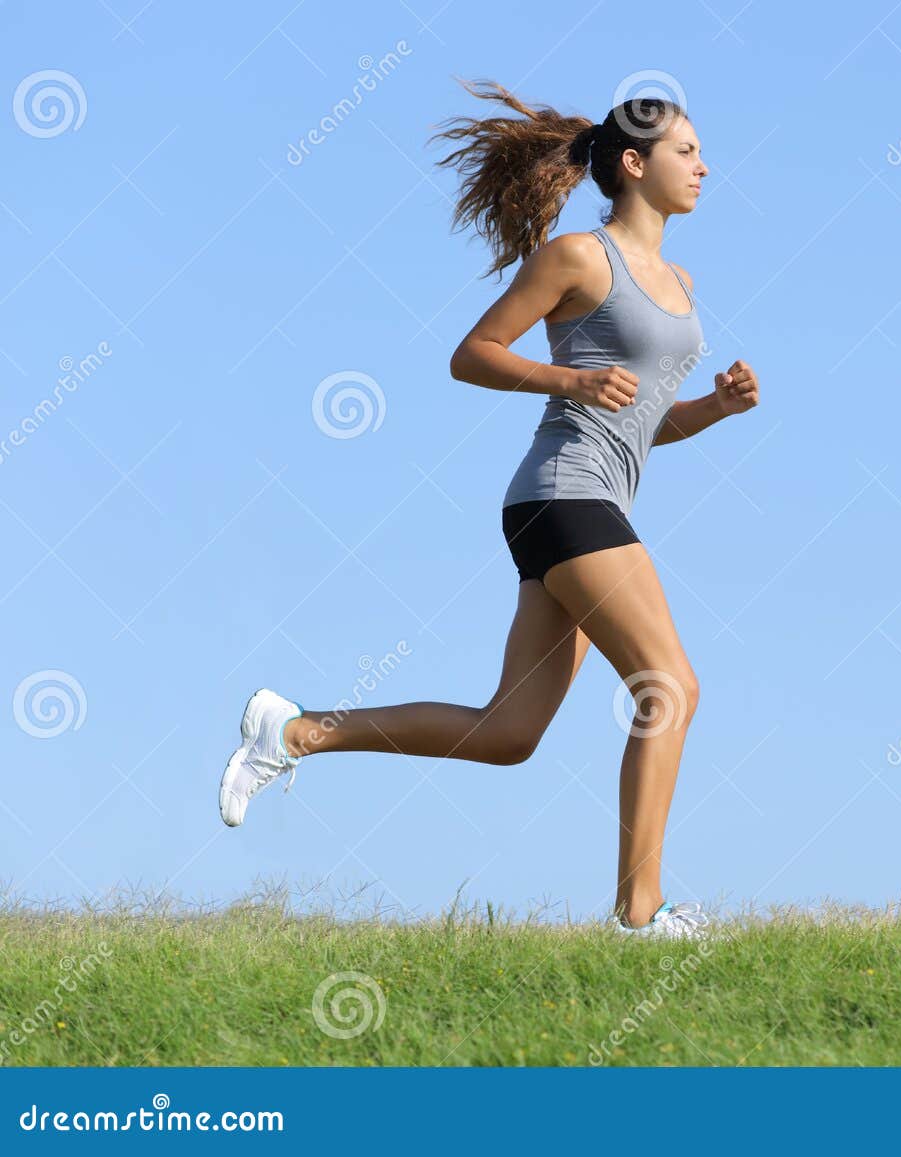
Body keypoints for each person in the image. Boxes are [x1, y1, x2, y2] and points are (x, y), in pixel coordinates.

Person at [217, 81, 760, 941]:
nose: (704, 166)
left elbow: (644, 427)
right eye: (686, 152)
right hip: (564, 497)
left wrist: (716, 410)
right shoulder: (580, 258)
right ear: (634, 163)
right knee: (670, 686)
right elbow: (471, 355)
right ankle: (639, 916)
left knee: (509, 732)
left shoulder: (680, 281)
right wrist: (567, 378)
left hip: (587, 501)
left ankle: (293, 732)